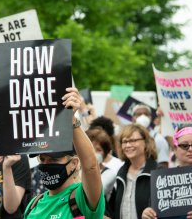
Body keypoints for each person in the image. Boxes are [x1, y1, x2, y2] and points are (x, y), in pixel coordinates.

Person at [22, 88, 105, 219]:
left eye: (54, 160)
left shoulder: (82, 198)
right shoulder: (34, 204)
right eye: (42, 159)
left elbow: (91, 167)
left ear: (74, 163)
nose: (46, 164)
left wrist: (71, 120)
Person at [141, 126, 192, 219]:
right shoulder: (163, 179)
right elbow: (155, 211)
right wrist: (148, 214)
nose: (190, 149)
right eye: (184, 146)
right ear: (175, 149)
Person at [107, 123, 160, 219]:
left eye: (133, 141)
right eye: (124, 141)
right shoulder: (121, 172)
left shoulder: (157, 172)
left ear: (146, 142)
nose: (128, 145)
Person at [86, 127, 117, 201]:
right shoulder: (75, 168)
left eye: (98, 150)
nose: (93, 153)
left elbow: (94, 195)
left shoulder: (109, 173)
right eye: (90, 148)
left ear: (105, 154)